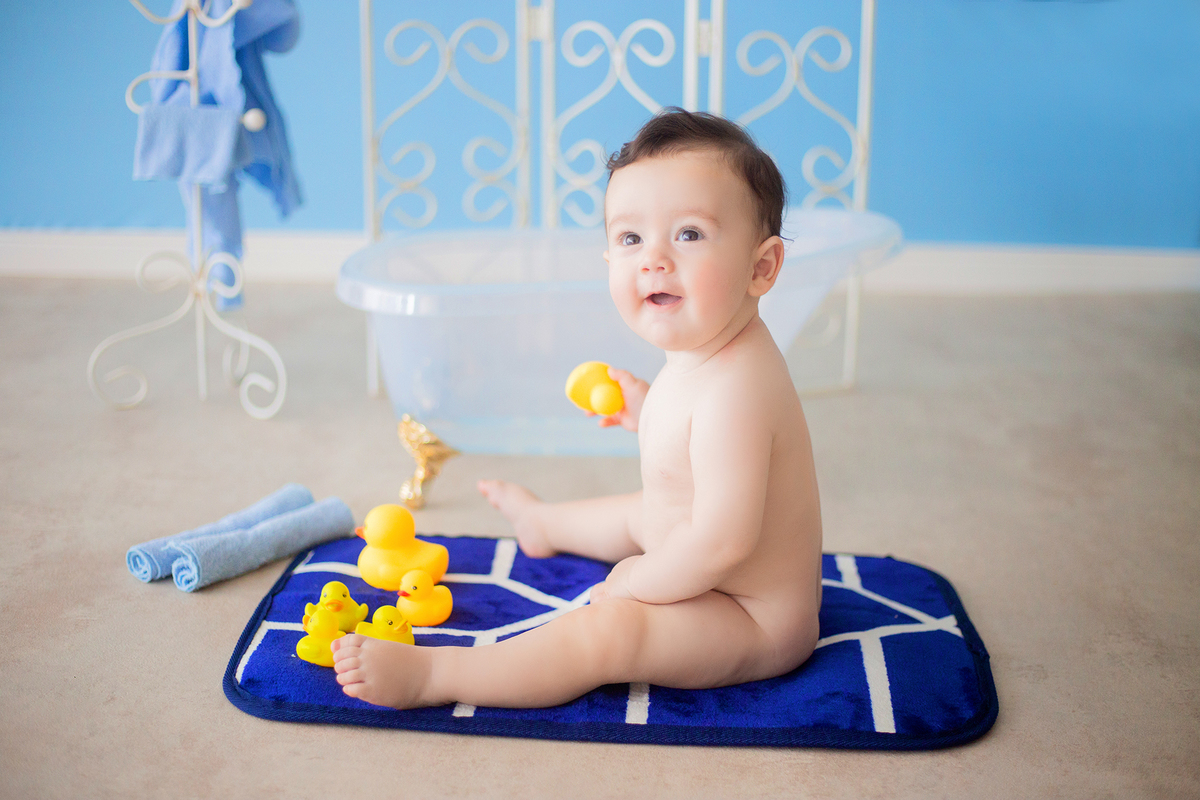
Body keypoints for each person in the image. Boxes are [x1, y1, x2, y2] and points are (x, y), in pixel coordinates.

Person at [331, 108, 824, 710]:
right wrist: (647, 409)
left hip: (752, 618)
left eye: (689, 234)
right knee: (639, 513)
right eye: (630, 238)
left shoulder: (741, 388)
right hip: (700, 555)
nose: (654, 259)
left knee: (612, 631)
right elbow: (703, 453)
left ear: (761, 266)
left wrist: (636, 580)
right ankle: (545, 524)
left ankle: (438, 676)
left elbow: (721, 543)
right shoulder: (710, 348)